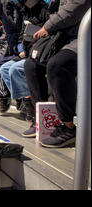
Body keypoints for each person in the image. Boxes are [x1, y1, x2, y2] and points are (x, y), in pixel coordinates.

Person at [23, 0, 90, 148]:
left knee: (57, 65)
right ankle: (41, 119)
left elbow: (75, 8)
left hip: (83, 35)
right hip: (62, 37)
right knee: (31, 64)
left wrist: (48, 26)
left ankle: (68, 126)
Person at [0, 0, 56, 137]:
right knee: (4, 69)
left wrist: (34, 41)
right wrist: (21, 47)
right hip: (28, 50)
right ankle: (26, 104)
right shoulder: (25, 11)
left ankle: (32, 112)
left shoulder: (44, 9)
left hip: (42, 50)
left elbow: (50, 31)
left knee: (16, 69)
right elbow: (21, 34)